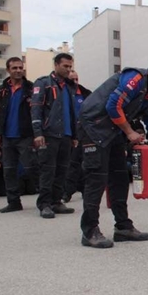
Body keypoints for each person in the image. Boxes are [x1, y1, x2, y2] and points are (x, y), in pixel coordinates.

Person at [78, 60, 148, 248]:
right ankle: (89, 231)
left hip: (113, 130)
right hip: (93, 126)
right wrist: (130, 132)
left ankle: (123, 227)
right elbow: (113, 105)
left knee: (120, 178)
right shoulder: (136, 78)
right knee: (97, 179)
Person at [31, 53, 77, 219]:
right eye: (65, 66)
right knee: (47, 170)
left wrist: (74, 134)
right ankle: (44, 204)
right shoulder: (43, 83)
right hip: (49, 134)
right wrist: (38, 133)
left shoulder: (69, 86)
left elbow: (72, 112)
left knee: (62, 170)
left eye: (70, 66)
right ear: (56, 65)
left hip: (66, 134)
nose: (68, 69)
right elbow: (35, 108)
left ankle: (56, 201)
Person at [0, 57, 38, 213]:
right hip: (7, 136)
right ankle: (13, 202)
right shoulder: (2, 89)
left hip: (25, 135)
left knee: (32, 168)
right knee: (9, 170)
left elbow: (36, 112)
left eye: (20, 68)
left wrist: (36, 134)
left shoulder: (31, 88)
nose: (18, 70)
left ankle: (46, 200)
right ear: (8, 70)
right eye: (14, 68)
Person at [62, 70, 92, 203]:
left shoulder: (86, 93)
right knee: (70, 164)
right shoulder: (63, 93)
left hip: (84, 133)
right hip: (66, 133)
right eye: (72, 80)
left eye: (76, 79)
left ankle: (71, 192)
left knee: (79, 163)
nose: (75, 82)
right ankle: (73, 190)